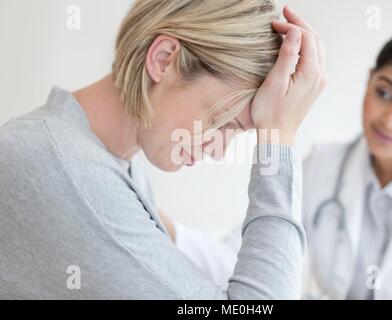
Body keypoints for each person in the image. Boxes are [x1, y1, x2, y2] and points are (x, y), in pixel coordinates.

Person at [0, 1, 326, 299]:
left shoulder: (107, 165)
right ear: (164, 59)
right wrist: (279, 136)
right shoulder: (65, 170)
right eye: (220, 121)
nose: (218, 152)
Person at [160, 28, 392, 300]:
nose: (391, 120)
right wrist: (166, 228)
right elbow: (241, 259)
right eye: (384, 93)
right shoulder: (324, 167)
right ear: (369, 79)